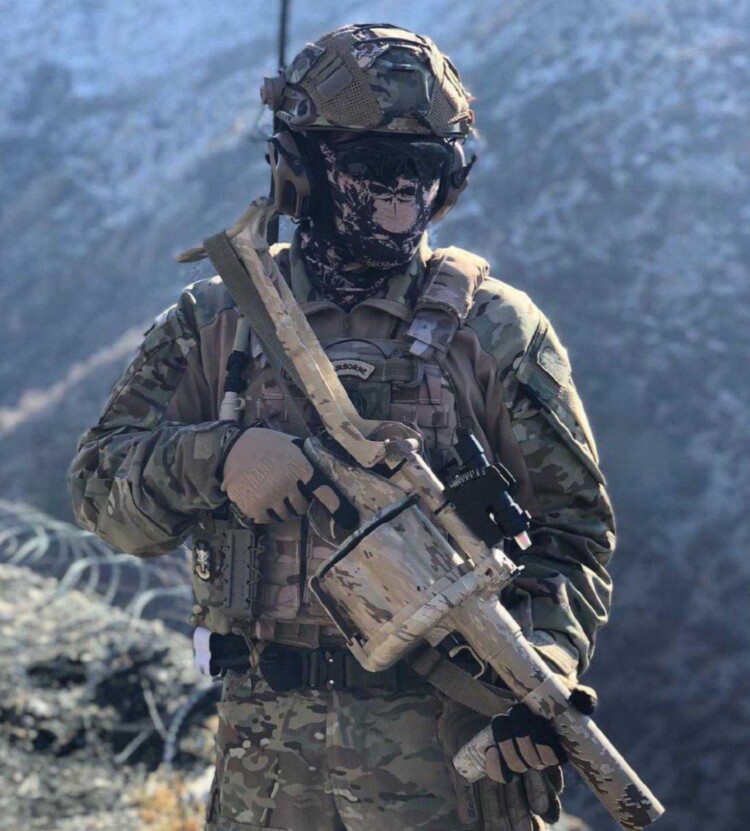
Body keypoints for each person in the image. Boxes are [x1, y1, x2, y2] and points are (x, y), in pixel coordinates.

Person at [68, 23, 615, 831]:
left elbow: (574, 533)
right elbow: (96, 492)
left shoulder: (496, 331)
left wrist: (541, 669)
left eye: (425, 166)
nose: (404, 190)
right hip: (267, 777)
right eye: (373, 164)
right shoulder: (218, 323)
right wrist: (216, 460)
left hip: (450, 775)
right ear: (305, 169)